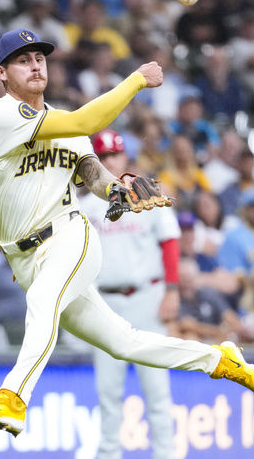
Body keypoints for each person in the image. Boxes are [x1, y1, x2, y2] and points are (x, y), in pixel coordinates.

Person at [0, 29, 254, 438]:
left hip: (69, 234)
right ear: (1, 72)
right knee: (124, 342)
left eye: (40, 58)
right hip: (25, 257)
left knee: (44, 301)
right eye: (22, 60)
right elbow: (88, 120)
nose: (34, 65)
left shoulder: (67, 124)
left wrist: (118, 190)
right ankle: (219, 360)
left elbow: (94, 176)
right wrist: (136, 79)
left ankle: (12, 398)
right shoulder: (0, 117)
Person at [79, 129, 180, 459]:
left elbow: (169, 241)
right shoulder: (85, 204)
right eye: (103, 156)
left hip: (147, 298)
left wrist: (173, 290)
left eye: (115, 154)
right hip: (106, 303)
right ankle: (109, 454)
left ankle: (165, 454)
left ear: (125, 156)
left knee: (157, 389)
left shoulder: (146, 190)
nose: (110, 160)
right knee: (108, 392)